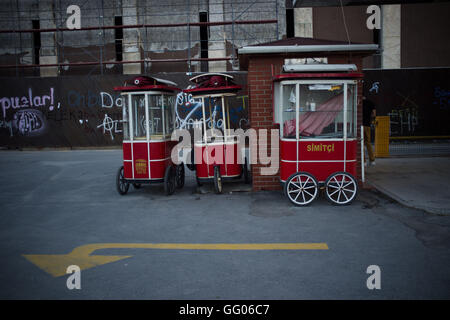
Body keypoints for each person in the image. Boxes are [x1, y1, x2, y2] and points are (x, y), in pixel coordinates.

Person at [363, 96, 376, 166]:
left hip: (361, 125)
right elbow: (374, 114)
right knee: (368, 143)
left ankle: (364, 161)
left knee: (361, 143)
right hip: (367, 125)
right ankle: (372, 160)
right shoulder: (371, 103)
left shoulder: (359, 103)